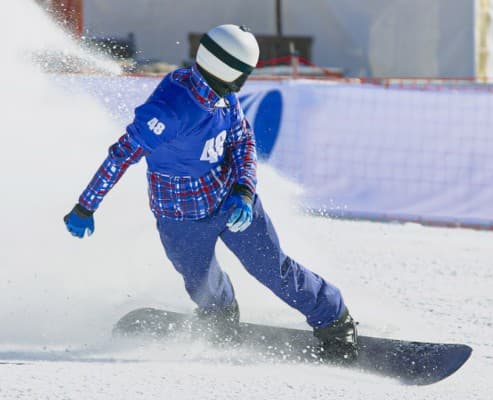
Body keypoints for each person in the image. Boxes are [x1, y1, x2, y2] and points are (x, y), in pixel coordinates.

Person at [63, 24, 358, 362]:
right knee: (200, 281)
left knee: (272, 269)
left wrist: (244, 191)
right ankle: (220, 316)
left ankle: (334, 319)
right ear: (232, 71)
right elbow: (121, 155)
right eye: (246, 71)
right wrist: (85, 207)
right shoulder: (168, 111)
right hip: (180, 218)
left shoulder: (225, 98)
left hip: (229, 203)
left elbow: (243, 141)